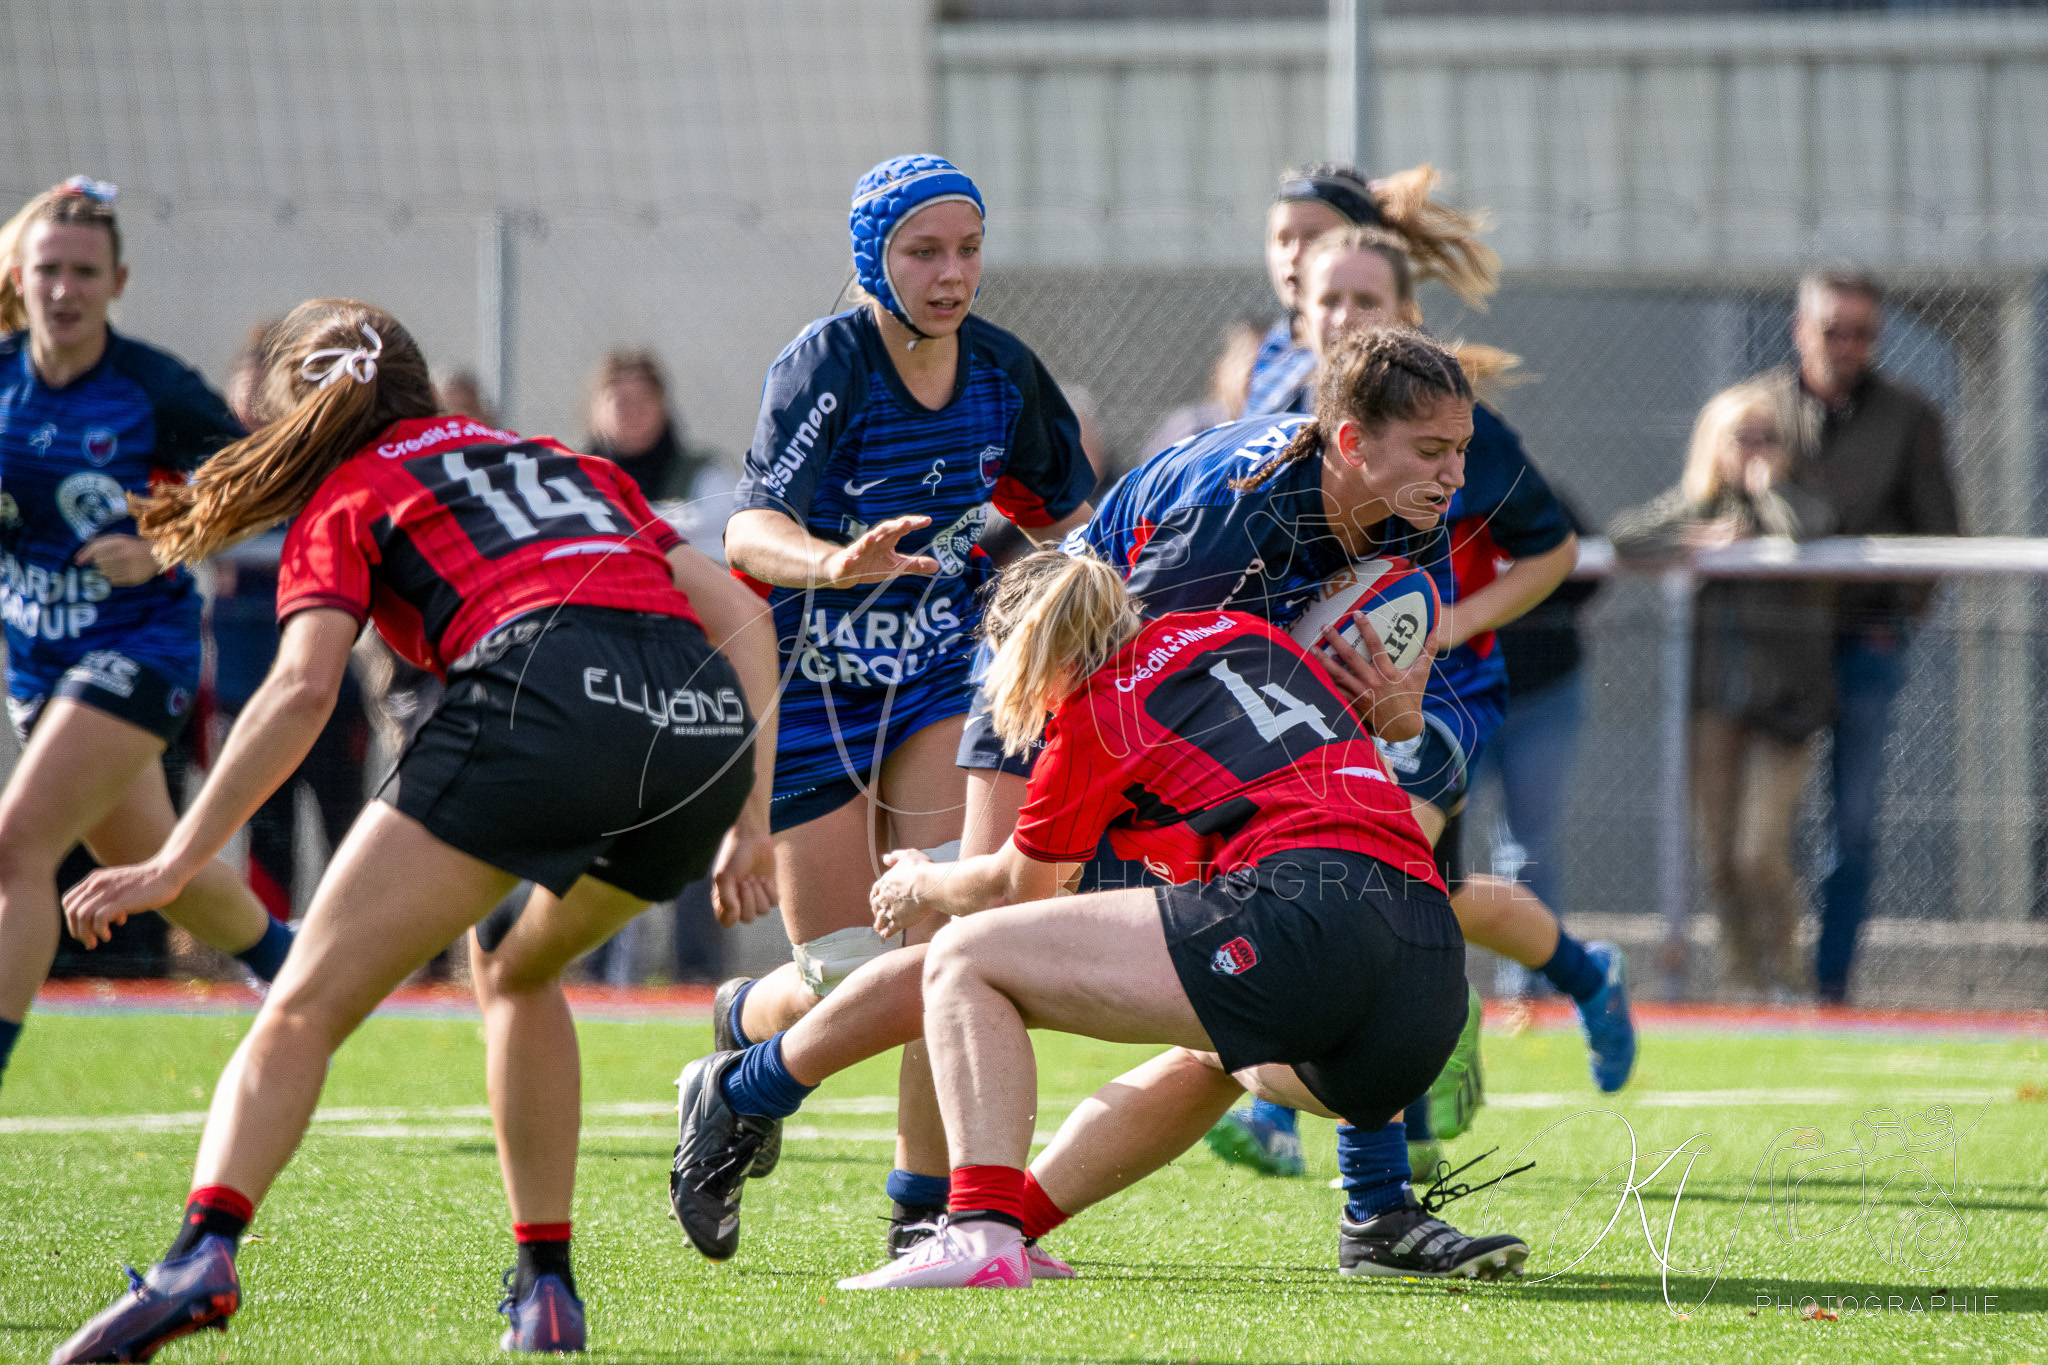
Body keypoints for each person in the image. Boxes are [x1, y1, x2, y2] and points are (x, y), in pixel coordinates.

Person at [49, 298, 778, 1360]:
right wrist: (748, 816)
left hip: (543, 699)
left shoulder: (350, 492)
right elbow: (736, 611)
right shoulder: (556, 459)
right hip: (697, 738)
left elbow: (301, 694)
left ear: (300, 413)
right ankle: (545, 1292)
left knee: (301, 1007)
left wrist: (177, 856)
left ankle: (200, 1254)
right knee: (515, 968)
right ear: (419, 383)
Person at [670, 549, 1527, 1288]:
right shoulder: (1247, 636)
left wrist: (926, 882)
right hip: (1425, 993)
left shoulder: (1099, 709)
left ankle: (958, 1214)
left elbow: (1015, 891)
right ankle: (1376, 1212)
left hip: (1301, 923)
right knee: (1213, 1048)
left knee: (965, 956)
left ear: (1024, 656)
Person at [932, 326, 1531, 1273]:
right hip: (1055, 677)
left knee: (1258, 984)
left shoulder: (1409, 510)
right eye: (1434, 451)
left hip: (1171, 711)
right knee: (977, 926)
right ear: (1350, 443)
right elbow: (1129, 685)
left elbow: (1317, 722)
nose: (1456, 475)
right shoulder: (1225, 527)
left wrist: (1398, 718)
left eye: (1461, 448)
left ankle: (1372, 1212)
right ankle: (774, 1073)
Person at [1175, 228, 1632, 1186]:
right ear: (1297, 305)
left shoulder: (1457, 418)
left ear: (1406, 318)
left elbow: (1552, 551)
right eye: (1327, 300)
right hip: (1319, 685)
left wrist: (1449, 624)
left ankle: (1291, 1110)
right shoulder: (1274, 402)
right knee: (1437, 896)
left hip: (1440, 688)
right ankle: (1580, 977)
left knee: (1364, 868)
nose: (1343, 317)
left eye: (1366, 302)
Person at [716, 154, 1096, 1245]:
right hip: (813, 690)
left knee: (944, 940)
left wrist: (1033, 587)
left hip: (937, 675)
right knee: (842, 977)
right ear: (873, 257)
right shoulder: (826, 364)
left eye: (966, 249)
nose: (950, 273)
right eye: (923, 251)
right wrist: (835, 565)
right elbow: (748, 531)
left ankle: (919, 1212)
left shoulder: (999, 370)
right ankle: (742, 1026)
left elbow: (1063, 512)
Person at [0, 177, 290, 1091]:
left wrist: (164, 535)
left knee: (17, 851)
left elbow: (254, 483)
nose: (64, 288)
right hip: (37, 662)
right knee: (161, 866)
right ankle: (303, 972)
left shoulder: (153, 386)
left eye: (85, 270)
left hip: (141, 649)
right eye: (48, 268)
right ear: (20, 273)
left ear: (118, 282)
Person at [1755, 270, 1961, 1004]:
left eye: (1862, 332)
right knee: (1760, 833)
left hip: (1865, 646)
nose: (1847, 346)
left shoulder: (1909, 416)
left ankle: (1829, 987)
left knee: (1852, 823)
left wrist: (1891, 616)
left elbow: (1943, 538)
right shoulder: (1762, 410)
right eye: (1832, 329)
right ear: (1800, 327)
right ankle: (1766, 983)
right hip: (1776, 648)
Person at [1611, 383, 1838, 997]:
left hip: (1784, 708)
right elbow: (1624, 538)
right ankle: (1742, 980)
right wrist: (1695, 542)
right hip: (1713, 707)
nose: (1757, 449)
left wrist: (1770, 490)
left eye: (1769, 437)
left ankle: (1790, 974)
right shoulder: (1701, 505)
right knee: (1720, 858)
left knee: (1758, 851)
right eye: (1744, 437)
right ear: (1715, 442)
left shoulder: (1796, 498)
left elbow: (1808, 534)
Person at [1469, 494, 1602, 995]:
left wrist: (1524, 585)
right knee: (1427, 848)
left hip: (1544, 695)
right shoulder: (1418, 501)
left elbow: (1589, 574)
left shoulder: (1534, 494)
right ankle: (1422, 982)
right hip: (1459, 700)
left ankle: (1533, 987)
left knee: (1529, 848)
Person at [1245, 163, 1497, 420]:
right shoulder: (1277, 344)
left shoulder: (1412, 381)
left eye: (1314, 237)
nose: (1294, 254)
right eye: (1283, 239)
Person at [1138, 320, 1263, 459]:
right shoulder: (1194, 427)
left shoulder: (1277, 426)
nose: (1263, 376)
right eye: (1253, 363)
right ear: (1221, 370)